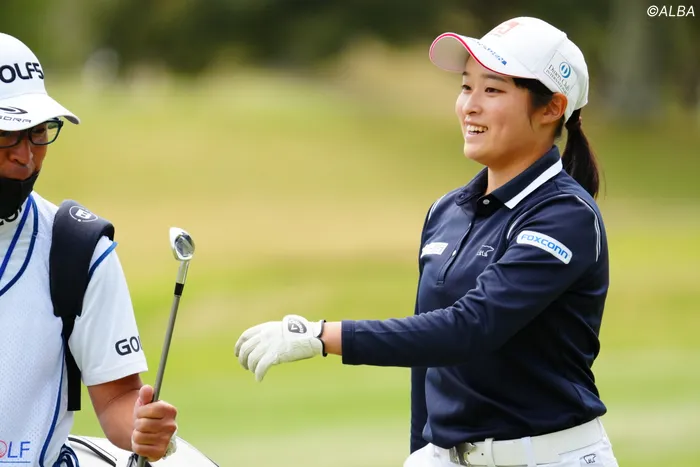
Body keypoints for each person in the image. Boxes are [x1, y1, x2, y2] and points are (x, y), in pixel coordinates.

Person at [234, 16, 619, 467]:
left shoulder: (565, 216)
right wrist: (422, 449)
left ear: (551, 108)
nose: (469, 106)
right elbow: (430, 360)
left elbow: (469, 328)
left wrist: (322, 336)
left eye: (492, 90)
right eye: (466, 86)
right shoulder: (447, 212)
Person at [0, 32, 178, 465]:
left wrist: (143, 427)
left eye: (38, 132)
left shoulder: (76, 249)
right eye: (7, 135)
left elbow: (117, 397)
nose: (26, 156)